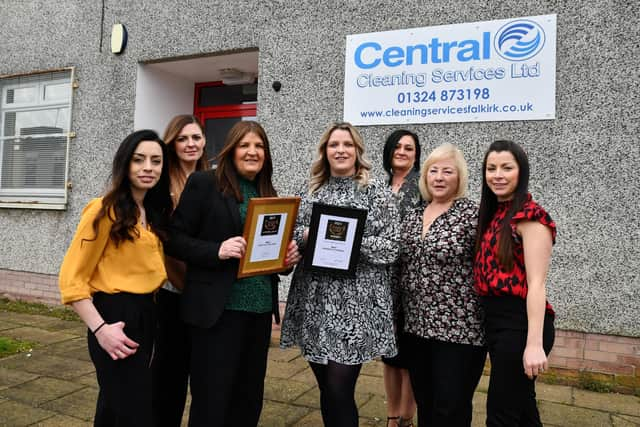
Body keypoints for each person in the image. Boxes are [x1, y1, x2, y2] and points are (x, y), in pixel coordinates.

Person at [165, 121, 301, 427]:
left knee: (248, 397)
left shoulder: (269, 192)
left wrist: (287, 259)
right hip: (218, 312)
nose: (252, 152)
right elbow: (174, 240)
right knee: (212, 398)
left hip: (258, 310)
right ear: (231, 150)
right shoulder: (204, 183)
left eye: (259, 146)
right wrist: (217, 250)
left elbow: (268, 252)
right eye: (245, 145)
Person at [280, 122, 399, 427]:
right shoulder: (308, 191)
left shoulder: (377, 194)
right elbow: (291, 235)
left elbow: (391, 247)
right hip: (315, 301)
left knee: (339, 386)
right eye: (334, 145)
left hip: (355, 305)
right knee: (327, 388)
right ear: (325, 151)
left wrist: (348, 239)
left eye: (347, 144)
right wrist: (303, 239)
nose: (341, 150)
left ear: (358, 151)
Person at [58, 130, 172, 427]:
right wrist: (100, 329)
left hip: (147, 315)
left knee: (113, 410)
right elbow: (71, 279)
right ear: (124, 164)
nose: (149, 167)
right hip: (114, 316)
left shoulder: (151, 213)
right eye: (139, 160)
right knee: (134, 413)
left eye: (156, 161)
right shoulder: (103, 210)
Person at [398, 143, 486, 426]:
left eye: (447, 171)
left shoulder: (473, 215)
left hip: (459, 331)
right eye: (433, 171)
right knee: (426, 402)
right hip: (416, 327)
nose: (439, 177)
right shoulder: (412, 216)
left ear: (459, 177)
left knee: (451, 407)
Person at [474, 140, 556, 426]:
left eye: (507, 168)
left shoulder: (531, 217)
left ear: (521, 172)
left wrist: (534, 345)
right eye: (491, 168)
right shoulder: (495, 213)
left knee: (501, 413)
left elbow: (537, 285)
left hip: (521, 324)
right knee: (521, 407)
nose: (498, 174)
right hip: (496, 322)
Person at [152, 115, 208, 427]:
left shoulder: (212, 180)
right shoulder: (161, 182)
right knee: (169, 373)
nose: (191, 144)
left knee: (201, 371)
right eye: (183, 139)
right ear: (172, 143)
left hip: (204, 288)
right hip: (171, 288)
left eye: (196, 138)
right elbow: (162, 234)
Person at [381, 130, 421, 427]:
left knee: (409, 356)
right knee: (388, 354)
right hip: (381, 282)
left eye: (409, 148)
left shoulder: (423, 186)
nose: (403, 151)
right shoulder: (377, 186)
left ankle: (407, 417)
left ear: (417, 154)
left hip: (411, 281)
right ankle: (392, 416)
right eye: (398, 146)